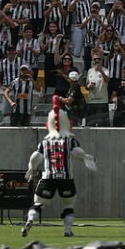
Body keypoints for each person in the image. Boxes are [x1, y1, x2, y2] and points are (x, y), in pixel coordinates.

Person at [22, 96, 97, 238]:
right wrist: (87, 158)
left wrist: (31, 168)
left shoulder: (45, 142)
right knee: (68, 205)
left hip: (48, 177)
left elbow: (36, 157)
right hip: (66, 178)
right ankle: (67, 230)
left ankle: (30, 220)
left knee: (38, 204)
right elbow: (78, 153)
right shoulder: (69, 141)